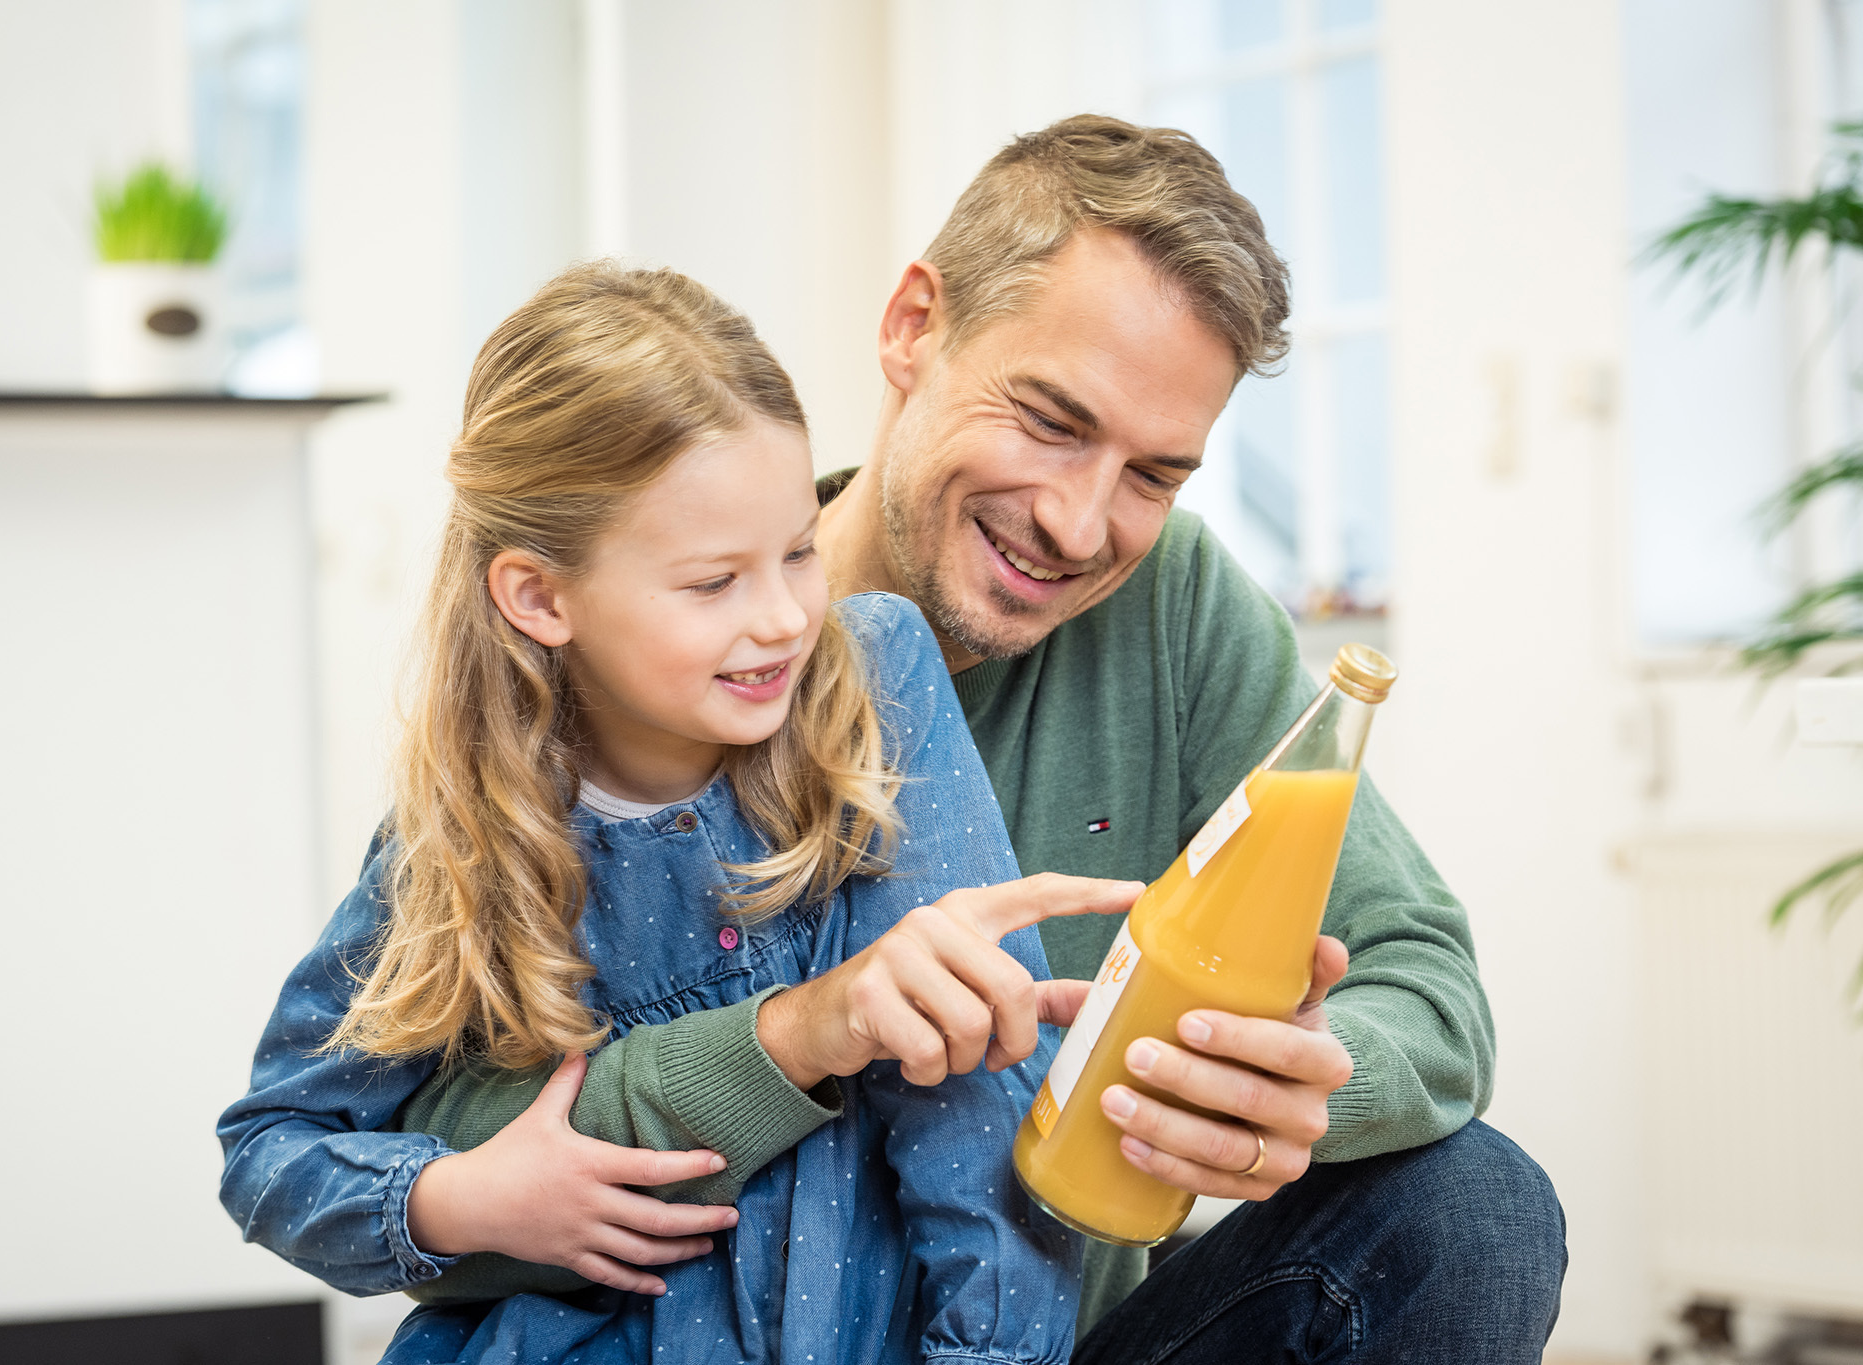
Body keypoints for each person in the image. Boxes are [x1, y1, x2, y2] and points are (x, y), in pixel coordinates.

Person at [412, 116, 1568, 1361]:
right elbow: (442, 1173)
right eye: (1050, 420)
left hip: (1051, 1334)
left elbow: (1424, 984)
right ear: (915, 325)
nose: (1080, 526)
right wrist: (800, 1034)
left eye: (1152, 474)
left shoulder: (1169, 602)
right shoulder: (640, 653)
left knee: (1472, 1208)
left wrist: (1294, 1082)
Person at [215, 262, 1126, 1364]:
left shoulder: (876, 683)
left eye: (797, 550)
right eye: (711, 583)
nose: (783, 618)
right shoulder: (457, 839)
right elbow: (270, 1150)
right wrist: (464, 1201)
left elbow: (979, 1119)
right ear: (540, 598)